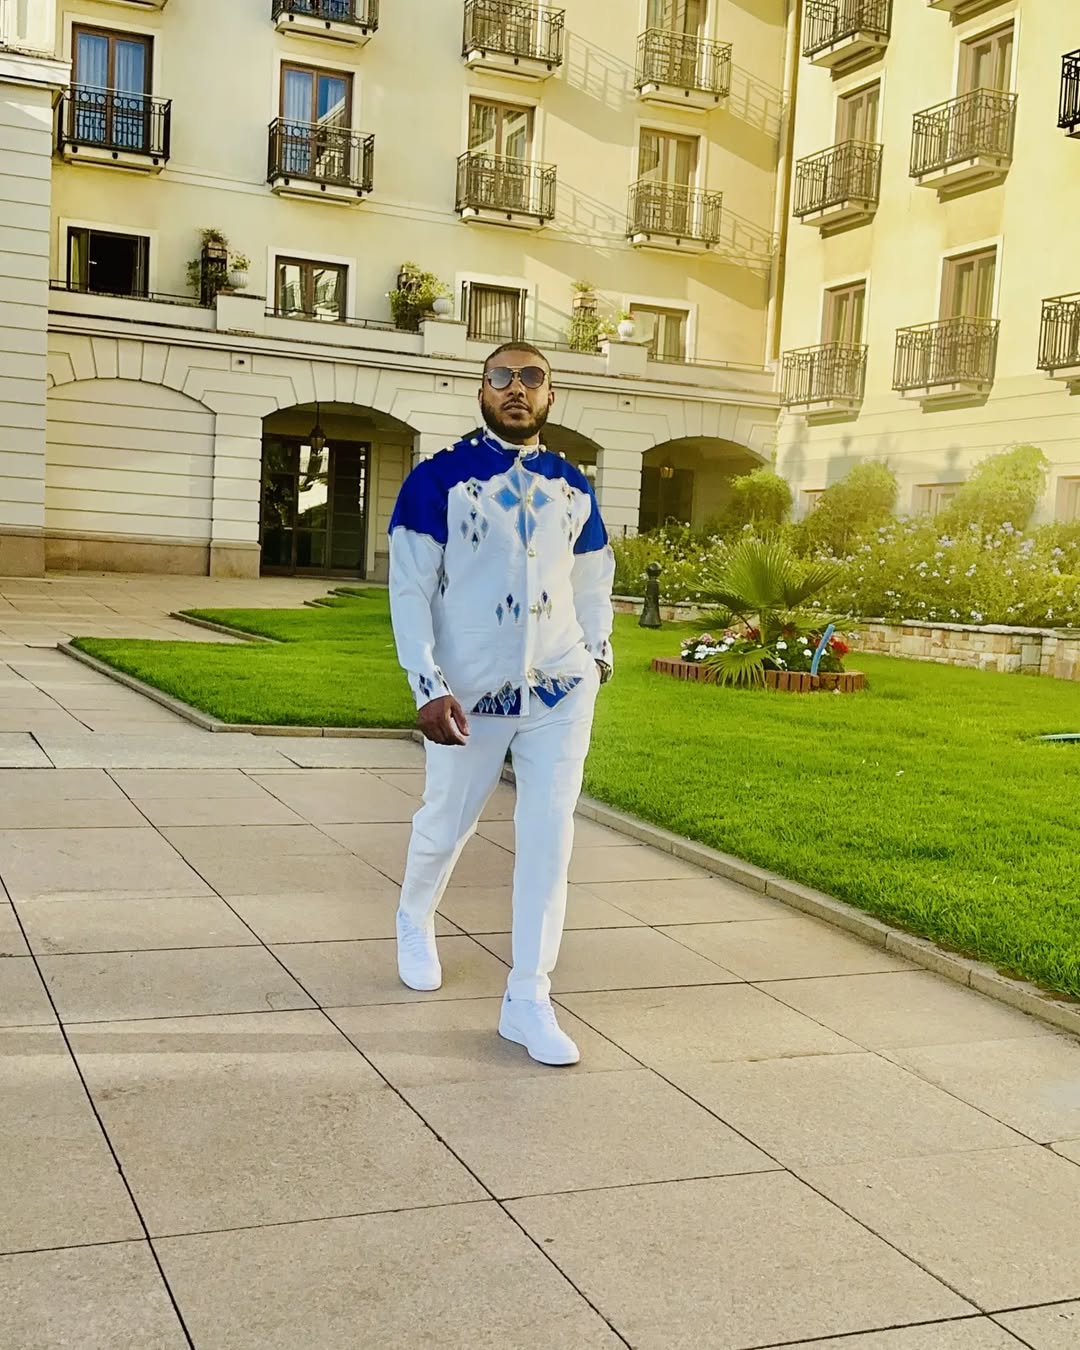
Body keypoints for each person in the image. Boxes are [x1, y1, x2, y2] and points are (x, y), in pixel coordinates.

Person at [387, 342, 615, 1066]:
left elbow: (592, 582)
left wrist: (597, 660)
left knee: (549, 839)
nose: (516, 389)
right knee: (447, 821)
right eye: (501, 377)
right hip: (468, 695)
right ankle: (414, 915)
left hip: (559, 689)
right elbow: (410, 589)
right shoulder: (437, 480)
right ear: (481, 390)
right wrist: (427, 683)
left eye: (532, 378)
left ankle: (528, 996)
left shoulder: (575, 486)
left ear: (552, 396)